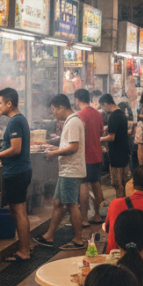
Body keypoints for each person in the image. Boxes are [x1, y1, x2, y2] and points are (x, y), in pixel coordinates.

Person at [36, 94, 88, 251]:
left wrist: (54, 153)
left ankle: (78, 240)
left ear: (62, 107)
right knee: (58, 202)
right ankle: (48, 236)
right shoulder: (72, 120)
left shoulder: (72, 122)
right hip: (68, 169)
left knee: (71, 205)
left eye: (54, 109)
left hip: (71, 171)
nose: (53, 113)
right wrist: (55, 148)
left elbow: (73, 147)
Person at [0, 88, 32, 263]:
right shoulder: (19, 120)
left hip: (17, 172)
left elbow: (15, 149)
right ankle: (25, 246)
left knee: (19, 212)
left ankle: (24, 251)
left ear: (9, 103)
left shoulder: (15, 122)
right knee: (16, 210)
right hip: (18, 170)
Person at [74, 89, 105, 228]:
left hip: (85, 156)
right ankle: (97, 215)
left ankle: (85, 219)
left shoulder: (79, 115)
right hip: (97, 155)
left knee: (83, 185)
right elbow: (100, 132)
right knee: (96, 183)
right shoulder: (98, 114)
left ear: (77, 100)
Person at [100, 94, 131, 199]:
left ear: (106, 104)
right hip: (124, 151)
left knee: (117, 184)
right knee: (124, 181)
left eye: (103, 107)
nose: (103, 109)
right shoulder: (121, 113)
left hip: (116, 153)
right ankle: (126, 205)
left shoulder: (113, 116)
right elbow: (118, 127)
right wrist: (107, 127)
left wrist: (99, 139)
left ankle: (121, 206)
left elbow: (111, 137)